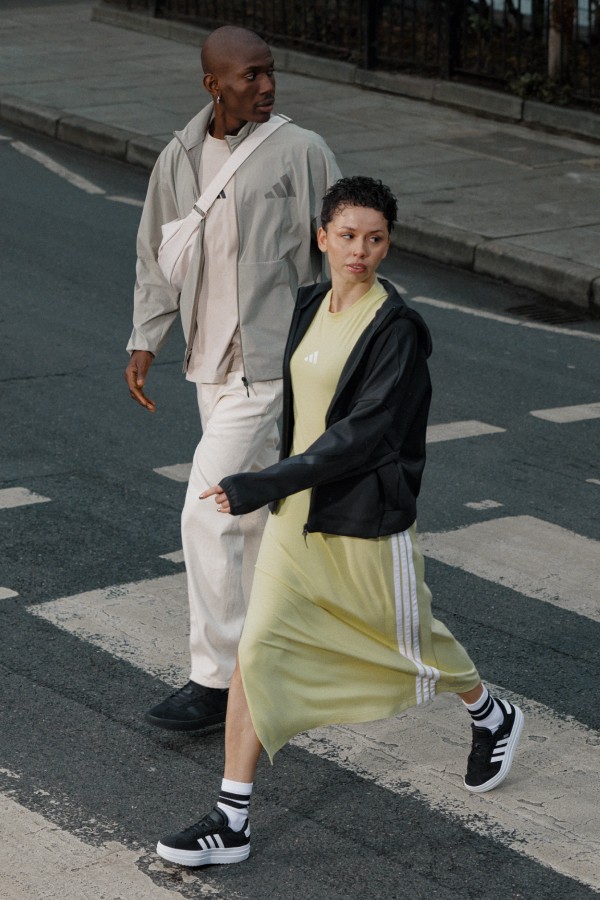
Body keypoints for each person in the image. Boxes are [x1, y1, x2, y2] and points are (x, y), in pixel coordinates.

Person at [155, 176, 525, 867]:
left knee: (411, 641)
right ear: (322, 238)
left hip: (362, 519)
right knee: (256, 652)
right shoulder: (308, 307)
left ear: (388, 244)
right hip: (299, 516)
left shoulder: (396, 330)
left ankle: (490, 711)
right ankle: (231, 818)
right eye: (348, 235)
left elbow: (363, 436)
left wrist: (262, 482)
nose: (361, 250)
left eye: (375, 238)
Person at [125, 26, 340, 732]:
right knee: (245, 521)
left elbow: (345, 255)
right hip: (207, 365)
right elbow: (158, 251)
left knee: (208, 511)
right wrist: (146, 338)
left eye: (270, 73)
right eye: (249, 76)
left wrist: (348, 350)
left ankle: (214, 682)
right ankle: (269, 661)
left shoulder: (302, 151)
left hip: (269, 369)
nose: (266, 86)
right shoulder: (181, 155)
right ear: (212, 85)